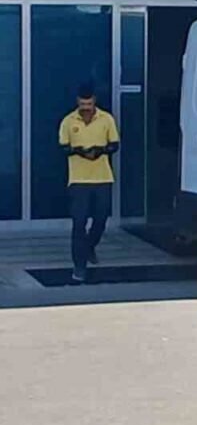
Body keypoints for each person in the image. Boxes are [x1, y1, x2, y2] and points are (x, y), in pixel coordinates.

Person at [59, 84, 119, 282]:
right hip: (78, 180)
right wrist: (80, 151)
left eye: (89, 104)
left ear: (94, 101)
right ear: (77, 102)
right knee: (79, 223)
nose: (86, 108)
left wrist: (100, 151)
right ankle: (79, 267)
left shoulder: (106, 119)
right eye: (83, 105)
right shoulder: (68, 121)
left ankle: (90, 246)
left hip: (103, 178)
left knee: (101, 219)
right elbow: (63, 147)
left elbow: (115, 145)